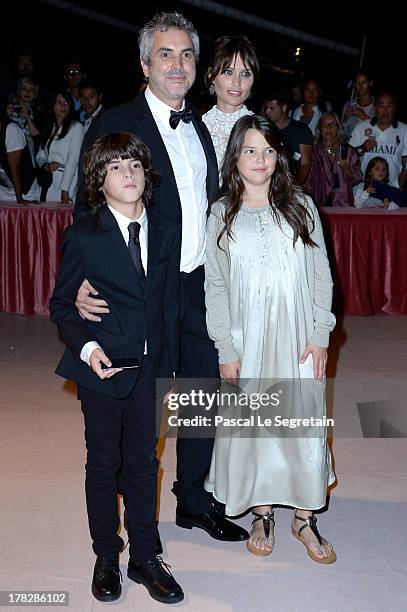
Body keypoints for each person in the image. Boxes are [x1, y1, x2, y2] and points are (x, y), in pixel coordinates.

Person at [74, 11, 248, 543]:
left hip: (197, 286)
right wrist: (84, 277)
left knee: (201, 396)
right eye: (166, 54)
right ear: (145, 63)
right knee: (141, 403)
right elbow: (86, 208)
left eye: (187, 54)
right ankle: (126, 518)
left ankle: (192, 501)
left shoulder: (198, 123)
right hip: (141, 290)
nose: (178, 65)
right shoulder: (116, 122)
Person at [49, 132, 184, 604]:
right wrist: (87, 349)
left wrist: (170, 365)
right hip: (103, 372)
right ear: (98, 181)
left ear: (147, 175)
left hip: (151, 371)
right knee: (104, 464)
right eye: (114, 167)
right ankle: (107, 552)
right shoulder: (85, 235)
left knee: (145, 464)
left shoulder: (166, 229)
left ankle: (146, 556)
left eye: (134, 165)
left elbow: (168, 303)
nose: (127, 173)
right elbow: (63, 304)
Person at [204, 115, 337, 562]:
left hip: (299, 335)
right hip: (249, 339)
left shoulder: (301, 205)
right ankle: (261, 510)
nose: (260, 160)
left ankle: (304, 516)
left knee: (301, 421)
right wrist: (226, 345)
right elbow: (216, 286)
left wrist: (321, 333)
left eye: (267, 150)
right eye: (249, 150)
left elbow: (321, 273)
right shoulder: (221, 213)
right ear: (235, 157)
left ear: (278, 155)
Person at [202, 35, 259, 169]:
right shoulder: (195, 127)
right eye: (228, 72)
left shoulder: (259, 130)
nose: (237, 82)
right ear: (211, 76)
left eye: (245, 74)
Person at [349, 92, 407, 188]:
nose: (385, 110)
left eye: (390, 105)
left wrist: (398, 188)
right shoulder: (361, 127)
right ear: (375, 107)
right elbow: (346, 158)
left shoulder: (404, 130)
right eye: (381, 105)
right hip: (362, 191)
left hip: (391, 192)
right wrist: (362, 148)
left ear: (395, 108)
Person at [304, 112, 362, 207]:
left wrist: (347, 169)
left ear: (338, 128)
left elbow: (358, 177)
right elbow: (306, 183)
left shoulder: (347, 151)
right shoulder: (313, 153)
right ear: (319, 129)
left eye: (332, 124)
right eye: (324, 124)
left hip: (343, 204)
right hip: (319, 205)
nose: (328, 128)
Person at [36, 90, 84, 203]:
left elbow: (73, 160)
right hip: (46, 184)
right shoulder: (49, 127)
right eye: (59, 102)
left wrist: (65, 190)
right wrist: (46, 165)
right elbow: (40, 155)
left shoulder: (76, 127)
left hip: (65, 184)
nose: (63, 106)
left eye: (66, 102)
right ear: (52, 105)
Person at [262, 90, 313, 184]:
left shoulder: (302, 131)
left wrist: (293, 186)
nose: (267, 111)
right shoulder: (264, 130)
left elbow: (305, 164)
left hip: (290, 182)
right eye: (266, 107)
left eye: (272, 108)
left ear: (284, 108)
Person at [0, 114, 40, 203]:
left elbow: (15, 168)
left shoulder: (11, 129)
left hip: (24, 191)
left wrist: (19, 199)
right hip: (4, 190)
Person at [342, 71, 375, 141]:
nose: (360, 86)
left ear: (370, 83)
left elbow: (383, 132)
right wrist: (346, 118)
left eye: (363, 82)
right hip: (352, 148)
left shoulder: (378, 106)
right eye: (357, 83)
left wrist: (365, 117)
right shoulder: (349, 105)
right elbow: (342, 133)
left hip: (373, 148)